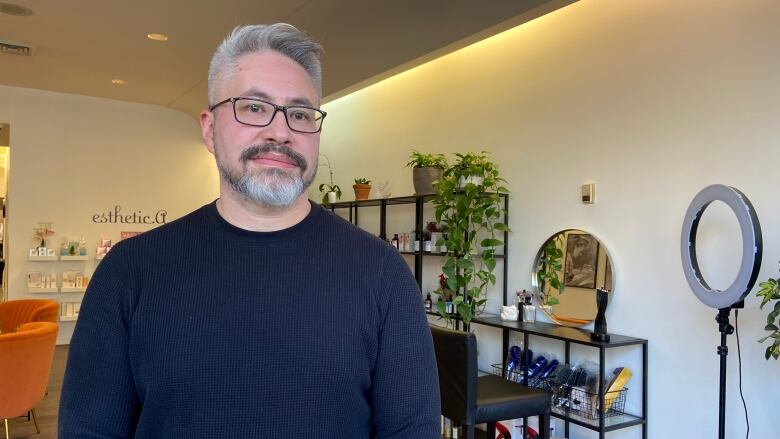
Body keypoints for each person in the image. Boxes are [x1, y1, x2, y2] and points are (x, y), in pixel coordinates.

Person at [59, 23, 441, 438]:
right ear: (209, 128)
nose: (280, 131)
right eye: (254, 107)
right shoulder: (129, 272)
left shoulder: (382, 272)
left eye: (299, 113)